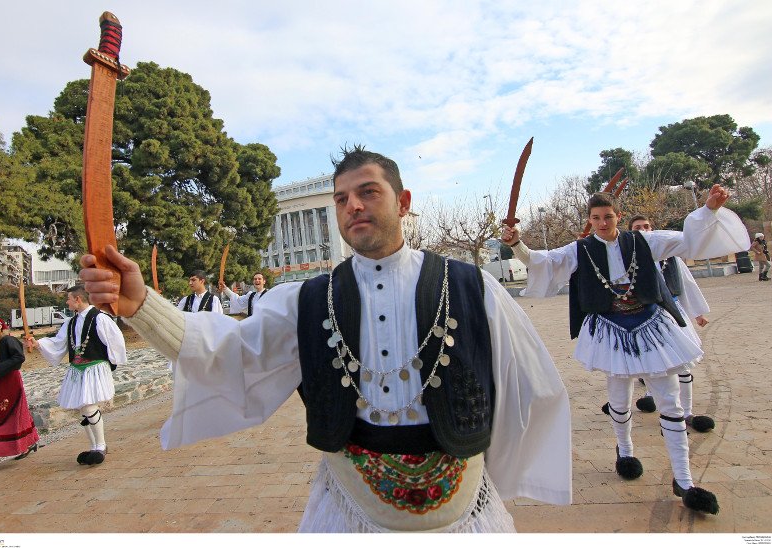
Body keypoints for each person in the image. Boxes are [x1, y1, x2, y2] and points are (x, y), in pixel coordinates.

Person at [79, 145, 572, 533]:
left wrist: (495, 475)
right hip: (348, 507)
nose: (352, 205)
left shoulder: (471, 285)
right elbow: (228, 354)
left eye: (368, 192)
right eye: (341, 198)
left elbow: (525, 384)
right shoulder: (309, 300)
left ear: (403, 202)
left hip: (462, 508)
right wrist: (142, 307)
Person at [503, 187, 749, 515]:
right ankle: (626, 451)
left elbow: (687, 240)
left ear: (617, 216)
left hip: (652, 324)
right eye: (596, 218)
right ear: (589, 221)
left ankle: (685, 480)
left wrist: (709, 209)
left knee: (670, 401)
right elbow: (541, 260)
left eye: (608, 216)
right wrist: (516, 243)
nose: (602, 222)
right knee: (619, 397)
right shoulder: (581, 249)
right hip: (610, 330)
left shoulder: (642, 241)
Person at [603, 215, 715, 433]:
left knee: (680, 365)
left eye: (646, 226)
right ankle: (649, 396)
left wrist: (697, 312)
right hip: (645, 317)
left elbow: (685, 285)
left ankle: (686, 412)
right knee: (649, 363)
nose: (643, 230)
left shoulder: (669, 255)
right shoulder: (627, 256)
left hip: (671, 314)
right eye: (638, 228)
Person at [27, 286, 127, 465]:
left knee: (89, 407)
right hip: (77, 370)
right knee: (82, 409)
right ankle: (94, 446)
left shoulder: (100, 318)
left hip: (94, 367)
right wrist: (39, 344)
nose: (67, 302)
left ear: (78, 299)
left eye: (69, 299)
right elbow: (59, 343)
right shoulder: (70, 322)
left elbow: (115, 340)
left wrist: (112, 362)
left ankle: (101, 446)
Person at [0, 317, 40, 474]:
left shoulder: (8, 340)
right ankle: (29, 443)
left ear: (0, 327)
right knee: (16, 413)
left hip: (9, 382)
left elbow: (19, 358)